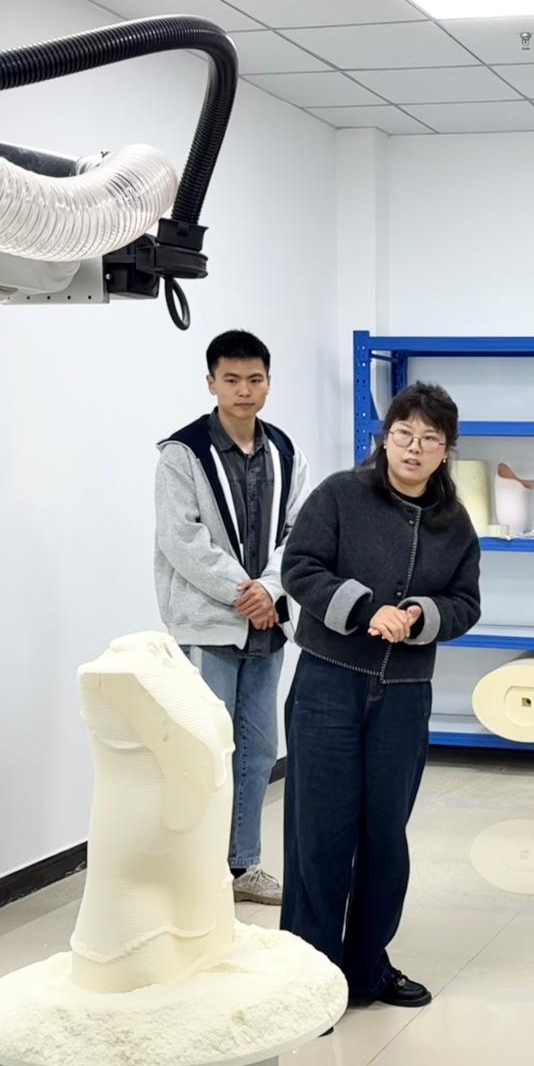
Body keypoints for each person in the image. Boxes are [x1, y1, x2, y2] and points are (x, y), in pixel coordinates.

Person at [281, 382, 481, 1009]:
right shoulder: (341, 494)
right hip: (328, 683)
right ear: (385, 438)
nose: (414, 448)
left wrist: (420, 615)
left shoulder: (455, 522)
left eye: (429, 439)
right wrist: (367, 608)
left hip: (403, 696)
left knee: (384, 837)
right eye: (404, 434)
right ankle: (310, 979)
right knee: (319, 835)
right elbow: (300, 566)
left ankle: (367, 966)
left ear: (446, 450)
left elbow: (466, 602)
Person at [154, 329, 311, 905]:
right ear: (211, 383)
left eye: (254, 379)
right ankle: (196, 871)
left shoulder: (285, 451)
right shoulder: (183, 453)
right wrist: (244, 591)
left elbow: (301, 532)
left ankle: (243, 865)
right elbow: (182, 538)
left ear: (268, 383)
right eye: (232, 379)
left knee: (259, 750)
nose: (244, 390)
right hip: (208, 623)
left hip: (268, 626)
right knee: (204, 750)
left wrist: (269, 590)